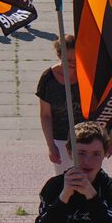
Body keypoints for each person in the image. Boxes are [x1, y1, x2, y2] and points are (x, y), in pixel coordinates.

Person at [37, 35, 78, 167]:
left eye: (77, 58)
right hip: (61, 139)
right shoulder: (48, 78)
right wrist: (51, 145)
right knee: (65, 181)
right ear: (60, 56)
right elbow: (45, 115)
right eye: (69, 59)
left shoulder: (88, 74)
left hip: (87, 138)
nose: (73, 63)